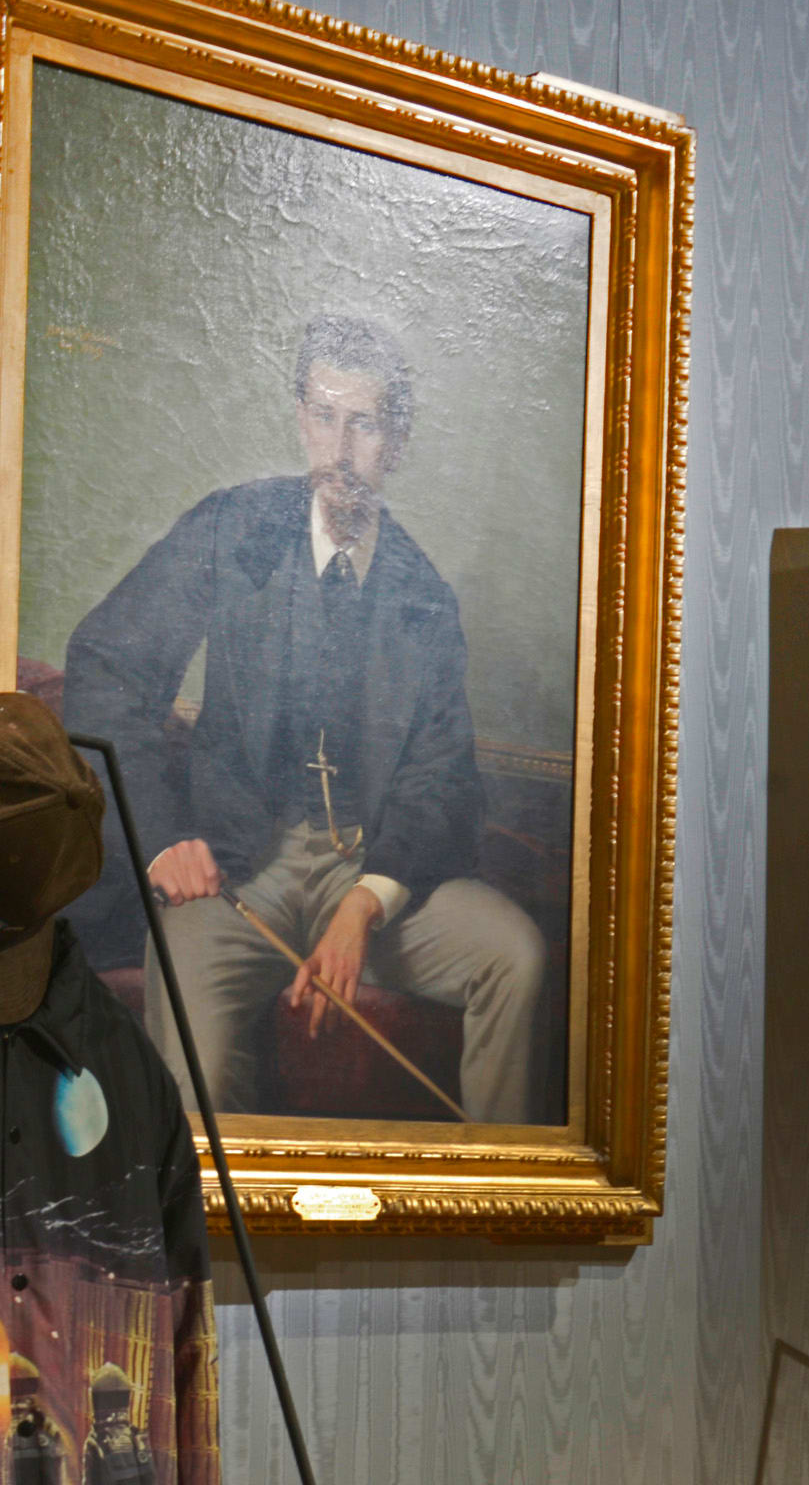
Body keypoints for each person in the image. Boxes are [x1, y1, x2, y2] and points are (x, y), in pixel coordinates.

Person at [61, 312, 547, 1124]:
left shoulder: (423, 596)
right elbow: (107, 663)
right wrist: (162, 837)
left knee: (515, 955)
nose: (340, 449)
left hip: (370, 864)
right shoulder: (234, 529)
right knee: (196, 1047)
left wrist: (364, 906)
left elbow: (441, 778)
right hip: (236, 867)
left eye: (365, 424)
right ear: (300, 420)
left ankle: (497, 1188)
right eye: (325, 417)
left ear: (396, 443)